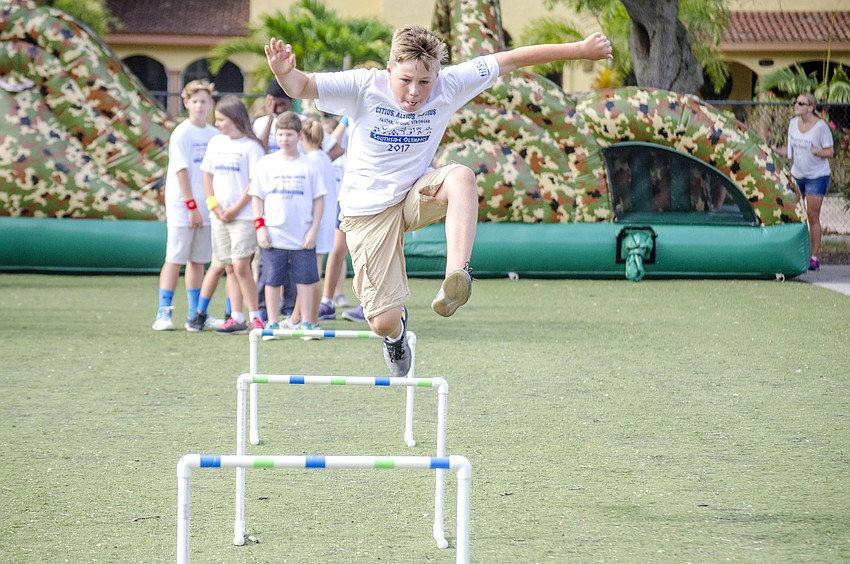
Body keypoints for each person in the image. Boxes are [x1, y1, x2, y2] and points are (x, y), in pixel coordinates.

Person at [265, 25, 612, 375]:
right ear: (389, 70)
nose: (415, 93)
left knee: (461, 176)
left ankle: (457, 276)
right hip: (367, 213)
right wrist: (284, 72)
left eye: (424, 83)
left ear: (437, 75)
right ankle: (396, 336)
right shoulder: (363, 85)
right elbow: (303, 86)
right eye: (405, 81)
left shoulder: (451, 83)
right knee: (382, 321)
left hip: (416, 191)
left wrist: (580, 49)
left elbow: (512, 59)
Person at [186, 95, 266, 334]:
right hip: (218, 216)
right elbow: (207, 175)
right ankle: (236, 317)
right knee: (229, 266)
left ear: (234, 119)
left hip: (242, 217)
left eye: (221, 119)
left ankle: (256, 316)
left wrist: (234, 209)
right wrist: (214, 206)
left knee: (242, 265)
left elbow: (253, 183)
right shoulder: (216, 143)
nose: (218, 124)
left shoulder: (251, 147)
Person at [152, 79, 225, 331]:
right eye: (195, 102)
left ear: (211, 104)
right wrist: (191, 206)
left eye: (204, 101)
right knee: (174, 258)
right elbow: (181, 172)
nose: (200, 106)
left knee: (198, 261)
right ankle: (164, 312)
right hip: (182, 208)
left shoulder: (216, 135)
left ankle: (195, 314)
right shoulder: (181, 133)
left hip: (207, 209)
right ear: (186, 103)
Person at [251, 111, 325, 333]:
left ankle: (307, 323)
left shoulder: (309, 164)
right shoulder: (266, 163)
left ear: (299, 135)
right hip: (273, 235)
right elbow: (257, 197)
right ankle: (272, 322)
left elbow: (319, 199)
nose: (285, 139)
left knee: (306, 280)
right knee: (272, 280)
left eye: (289, 134)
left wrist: (314, 230)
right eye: (281, 134)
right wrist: (260, 227)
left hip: (302, 236)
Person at [774, 93, 835, 271]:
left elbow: (830, 151)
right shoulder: (793, 124)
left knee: (812, 216)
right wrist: (777, 150)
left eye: (801, 103)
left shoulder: (821, 127)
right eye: (796, 102)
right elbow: (790, 149)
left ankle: (813, 257)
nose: (796, 106)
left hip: (817, 176)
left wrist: (818, 152)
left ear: (810, 108)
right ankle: (793, 253)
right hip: (797, 174)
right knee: (792, 213)